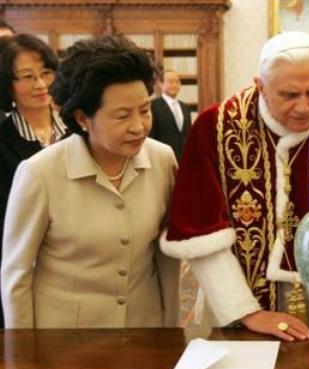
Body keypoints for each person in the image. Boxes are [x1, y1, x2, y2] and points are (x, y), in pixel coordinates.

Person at [160, 31, 309, 341]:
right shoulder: (216, 125)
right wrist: (246, 311)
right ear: (261, 86)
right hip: (237, 298)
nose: (304, 107)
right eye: (290, 95)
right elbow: (200, 232)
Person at [1, 35, 179, 328]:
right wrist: (22, 354)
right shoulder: (40, 172)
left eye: (145, 110)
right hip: (65, 340)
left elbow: (166, 258)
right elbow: (17, 272)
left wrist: (170, 329)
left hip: (143, 330)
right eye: (122, 116)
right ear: (83, 118)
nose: (138, 126)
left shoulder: (162, 160)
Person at [0, 34, 66, 328]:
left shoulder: (80, 132)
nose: (40, 85)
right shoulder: (2, 139)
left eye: (46, 73)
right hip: (22, 265)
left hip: (75, 266)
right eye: (27, 77)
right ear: (8, 85)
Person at [149, 69, 192, 161]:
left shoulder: (185, 108)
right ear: (160, 84)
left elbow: (188, 135)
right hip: (162, 158)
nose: (174, 85)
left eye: (177, 82)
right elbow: (151, 136)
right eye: (170, 81)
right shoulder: (153, 106)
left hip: (184, 159)